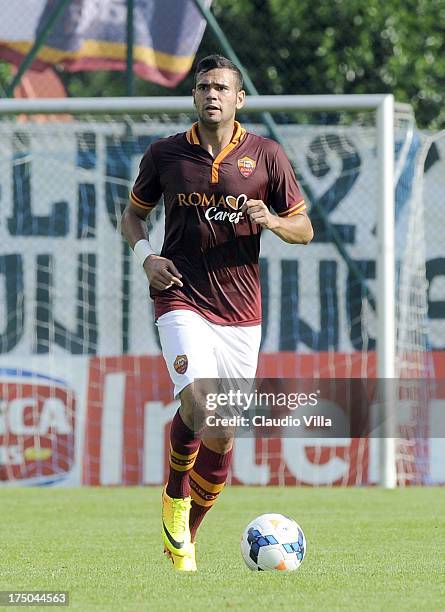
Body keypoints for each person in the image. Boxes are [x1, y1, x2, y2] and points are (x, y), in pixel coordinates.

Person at [121, 54, 313, 572]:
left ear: (239, 98)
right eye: (204, 86)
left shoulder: (266, 155)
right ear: (194, 96)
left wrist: (271, 219)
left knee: (223, 430)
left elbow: (304, 228)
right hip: (180, 296)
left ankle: (184, 534)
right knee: (201, 406)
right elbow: (133, 218)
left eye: (222, 88)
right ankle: (175, 495)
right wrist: (147, 259)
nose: (212, 94)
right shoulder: (165, 154)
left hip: (241, 311)